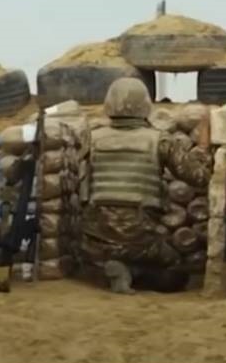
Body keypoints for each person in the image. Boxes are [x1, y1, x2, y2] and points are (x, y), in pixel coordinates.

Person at [81, 78, 211, 294]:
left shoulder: (91, 138)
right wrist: (203, 147)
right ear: (145, 105)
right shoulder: (160, 140)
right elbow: (199, 177)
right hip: (139, 238)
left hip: (95, 238)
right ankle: (133, 272)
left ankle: (112, 269)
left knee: (93, 262)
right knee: (175, 273)